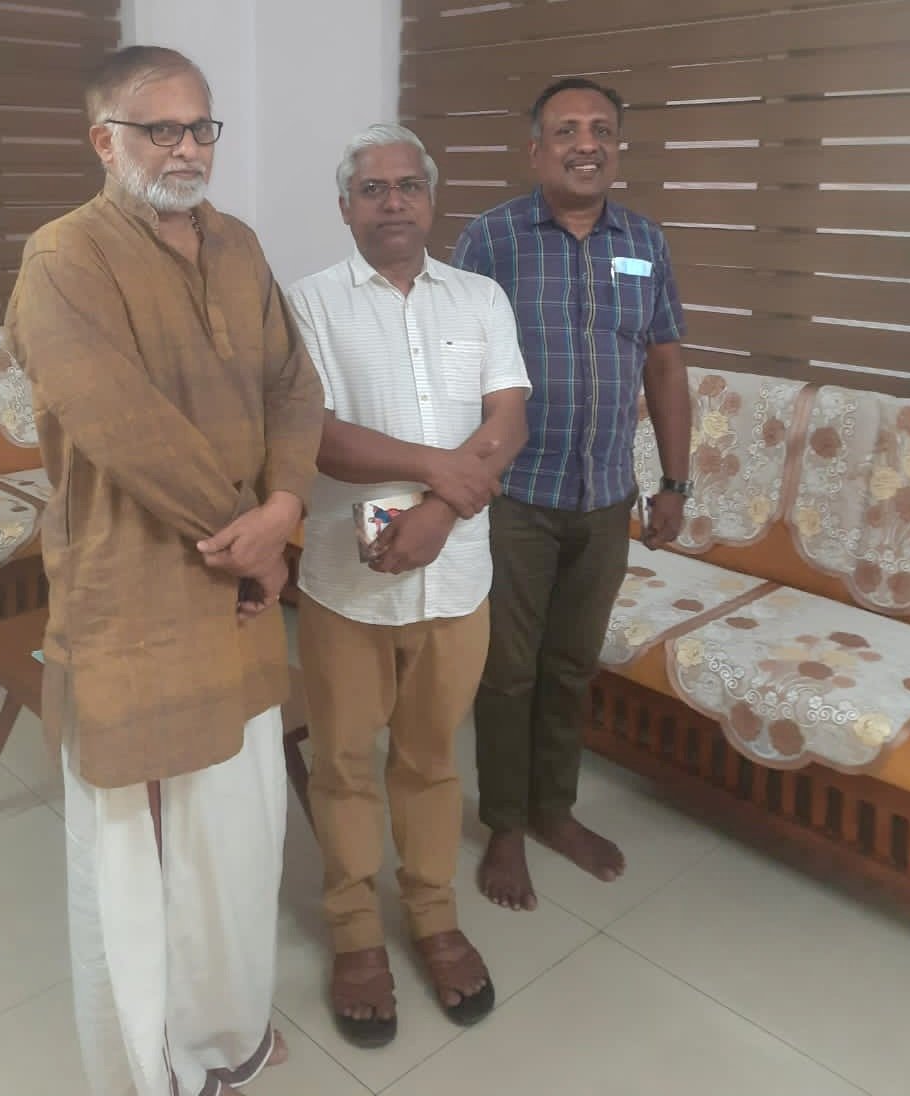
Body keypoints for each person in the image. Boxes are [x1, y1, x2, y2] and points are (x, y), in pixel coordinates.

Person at [4, 46, 324, 1096]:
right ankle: (150, 1068)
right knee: (136, 851)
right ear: (106, 141)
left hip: (242, 584)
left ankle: (228, 1034)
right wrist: (252, 532)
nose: (187, 149)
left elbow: (293, 382)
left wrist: (282, 511)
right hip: (133, 588)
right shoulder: (63, 258)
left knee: (235, 833)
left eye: (201, 128)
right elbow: (118, 424)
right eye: (161, 130)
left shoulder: (238, 244)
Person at [287, 124, 531, 1047]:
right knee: (345, 763)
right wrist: (443, 472)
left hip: (458, 576)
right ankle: (355, 933)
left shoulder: (479, 296)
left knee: (431, 760)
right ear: (346, 206)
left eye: (408, 187)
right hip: (347, 584)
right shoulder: (305, 304)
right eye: (372, 189)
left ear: (432, 200)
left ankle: (432, 915)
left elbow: (506, 414)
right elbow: (314, 434)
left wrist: (438, 513)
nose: (393, 202)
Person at [452, 77, 692, 913]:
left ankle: (555, 810)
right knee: (509, 673)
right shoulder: (491, 240)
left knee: (570, 666)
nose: (585, 144)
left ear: (617, 147)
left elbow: (664, 364)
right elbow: (455, 367)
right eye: (566, 130)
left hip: (604, 498)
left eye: (601, 130)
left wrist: (673, 480)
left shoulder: (646, 242)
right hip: (515, 495)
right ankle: (506, 826)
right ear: (536, 150)